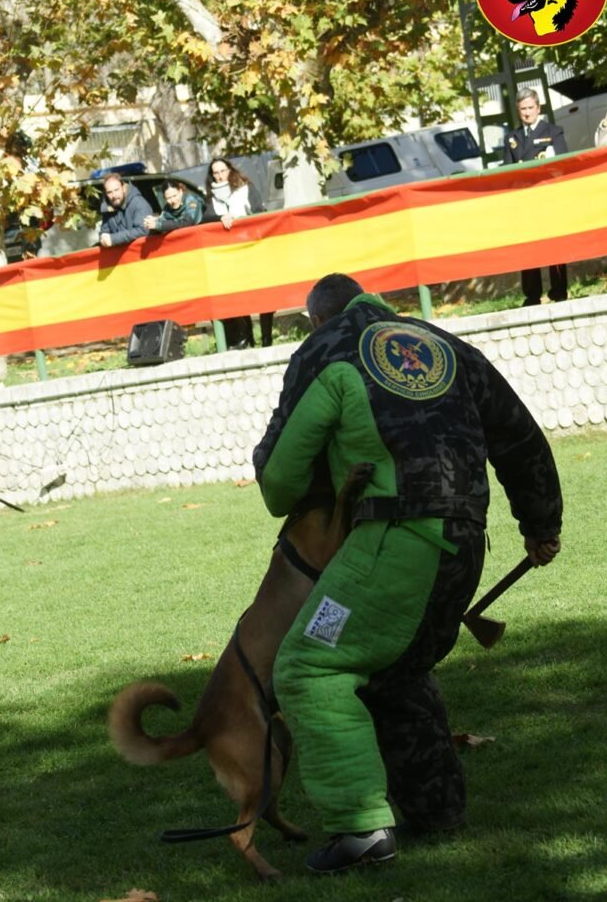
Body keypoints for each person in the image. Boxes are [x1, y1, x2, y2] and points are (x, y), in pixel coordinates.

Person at [253, 272, 562, 875]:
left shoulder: (324, 350)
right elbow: (522, 438)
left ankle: (362, 831)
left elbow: (279, 481)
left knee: (311, 665)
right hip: (465, 541)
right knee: (395, 668)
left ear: (317, 319)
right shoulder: (444, 343)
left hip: (397, 536)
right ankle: (438, 811)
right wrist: (541, 522)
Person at [503, 88, 569, 305]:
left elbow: (561, 163)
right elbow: (507, 170)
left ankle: (559, 290)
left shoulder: (553, 131)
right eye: (523, 109)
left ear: (538, 108)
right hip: (524, 200)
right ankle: (532, 294)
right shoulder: (512, 137)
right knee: (528, 246)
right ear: (518, 111)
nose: (527, 113)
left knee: (554, 245)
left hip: (547, 197)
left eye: (531, 108)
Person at [204, 157, 274, 349]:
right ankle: (246, 337)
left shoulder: (245, 188)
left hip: (250, 248)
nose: (219, 176)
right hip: (228, 254)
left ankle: (267, 338)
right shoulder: (211, 197)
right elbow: (205, 219)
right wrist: (221, 218)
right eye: (215, 173)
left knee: (263, 295)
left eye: (222, 171)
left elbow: (258, 211)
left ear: (230, 170)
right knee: (238, 295)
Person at [99, 173, 153, 248]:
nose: (113, 195)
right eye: (109, 192)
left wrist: (114, 239)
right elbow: (105, 231)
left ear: (124, 188)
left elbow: (143, 230)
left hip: (144, 254)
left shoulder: (138, 203)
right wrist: (103, 238)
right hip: (123, 258)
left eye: (116, 190)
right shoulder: (108, 208)